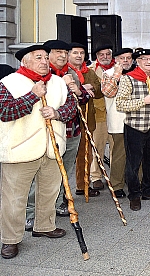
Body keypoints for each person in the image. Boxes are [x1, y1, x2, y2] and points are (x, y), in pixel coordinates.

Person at [0, 44, 77, 259]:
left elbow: (72, 107)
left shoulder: (59, 82)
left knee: (49, 192)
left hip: (52, 148)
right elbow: (5, 112)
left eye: (45, 57)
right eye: (38, 57)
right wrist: (32, 95)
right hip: (19, 150)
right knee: (14, 199)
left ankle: (44, 225)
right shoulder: (9, 82)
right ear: (24, 61)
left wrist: (57, 113)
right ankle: (10, 239)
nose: (44, 61)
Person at [115, 48, 150, 211]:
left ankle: (149, 190)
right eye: (144, 58)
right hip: (135, 128)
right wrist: (143, 100)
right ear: (137, 62)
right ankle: (134, 195)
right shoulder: (128, 79)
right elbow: (121, 104)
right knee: (133, 164)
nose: (148, 61)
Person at [45, 39, 96, 218]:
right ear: (48, 54)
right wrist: (62, 84)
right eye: (58, 52)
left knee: (64, 170)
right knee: (46, 172)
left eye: (65, 52)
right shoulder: (44, 74)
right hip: (50, 131)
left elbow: (81, 100)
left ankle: (59, 202)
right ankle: (33, 211)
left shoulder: (70, 73)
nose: (62, 55)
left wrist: (79, 91)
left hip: (72, 130)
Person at [67, 42, 104, 192]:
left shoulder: (89, 72)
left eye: (81, 53)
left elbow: (100, 90)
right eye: (75, 53)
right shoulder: (65, 72)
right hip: (70, 119)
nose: (79, 56)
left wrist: (92, 88)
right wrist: (81, 89)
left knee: (85, 153)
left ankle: (83, 185)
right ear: (68, 55)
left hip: (87, 118)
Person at [101, 47, 134, 198]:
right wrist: (117, 74)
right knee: (119, 155)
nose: (126, 61)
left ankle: (134, 182)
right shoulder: (108, 74)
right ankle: (116, 185)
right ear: (116, 60)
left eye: (128, 58)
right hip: (118, 119)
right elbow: (108, 92)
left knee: (136, 154)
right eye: (122, 58)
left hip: (136, 120)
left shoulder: (136, 73)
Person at [88, 44, 116, 192]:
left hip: (116, 114)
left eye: (108, 54)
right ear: (97, 56)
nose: (105, 57)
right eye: (101, 54)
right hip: (99, 114)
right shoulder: (91, 70)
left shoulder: (118, 69)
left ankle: (114, 176)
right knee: (97, 146)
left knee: (115, 147)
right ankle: (96, 177)